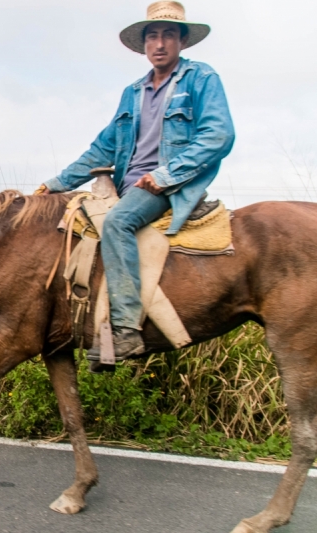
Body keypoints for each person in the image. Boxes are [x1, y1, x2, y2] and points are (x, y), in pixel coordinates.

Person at [37, 1, 234, 360]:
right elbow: (103, 149)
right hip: (125, 186)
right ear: (144, 44)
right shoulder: (133, 92)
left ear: (182, 41)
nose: (160, 44)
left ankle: (126, 330)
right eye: (153, 36)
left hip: (168, 185)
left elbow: (218, 136)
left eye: (168, 35)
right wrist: (55, 183)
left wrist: (164, 176)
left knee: (118, 222)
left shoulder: (201, 78)